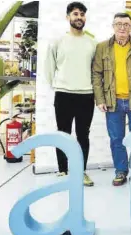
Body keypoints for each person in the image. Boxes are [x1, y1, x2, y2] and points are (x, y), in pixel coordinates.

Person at [92, 13, 131, 186]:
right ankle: (121, 171)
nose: (122, 27)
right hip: (113, 102)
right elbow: (96, 74)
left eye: (126, 24)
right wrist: (99, 99)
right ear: (113, 26)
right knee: (116, 139)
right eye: (118, 24)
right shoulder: (102, 47)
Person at [45, 2, 96, 186]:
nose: (79, 17)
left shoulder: (92, 43)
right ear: (68, 17)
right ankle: (63, 171)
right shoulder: (58, 41)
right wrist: (56, 85)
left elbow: (94, 70)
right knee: (63, 134)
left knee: (83, 135)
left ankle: (81, 172)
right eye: (75, 14)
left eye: (82, 14)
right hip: (64, 94)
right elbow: (49, 67)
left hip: (86, 95)